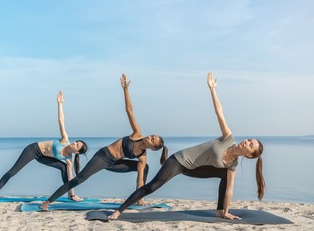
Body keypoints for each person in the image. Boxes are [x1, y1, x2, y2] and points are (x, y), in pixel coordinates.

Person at [109, 72, 264, 220]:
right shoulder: (229, 139)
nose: (247, 141)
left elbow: (229, 191)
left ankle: (219, 211)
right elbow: (219, 112)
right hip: (178, 161)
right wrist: (212, 89)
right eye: (249, 140)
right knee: (151, 187)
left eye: (251, 145)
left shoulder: (233, 165)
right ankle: (118, 211)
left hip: (193, 169)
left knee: (227, 174)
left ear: (249, 155)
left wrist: (227, 212)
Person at [40, 74, 168, 210]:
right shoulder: (137, 134)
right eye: (152, 135)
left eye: (152, 139)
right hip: (103, 156)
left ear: (153, 148)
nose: (149, 137)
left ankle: (139, 199)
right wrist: (125, 89)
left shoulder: (142, 156)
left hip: (114, 164)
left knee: (145, 168)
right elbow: (129, 110)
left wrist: (139, 195)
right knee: (80, 179)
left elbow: (140, 179)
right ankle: (48, 202)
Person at [0, 91, 88, 202]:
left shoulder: (69, 160)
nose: (74, 143)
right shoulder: (65, 139)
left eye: (77, 145)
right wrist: (60, 104)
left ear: (77, 152)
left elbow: (70, 178)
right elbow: (61, 121)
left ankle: (72, 196)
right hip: (33, 150)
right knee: (14, 170)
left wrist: (73, 192)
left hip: (42, 157)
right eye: (76, 142)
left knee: (64, 167)